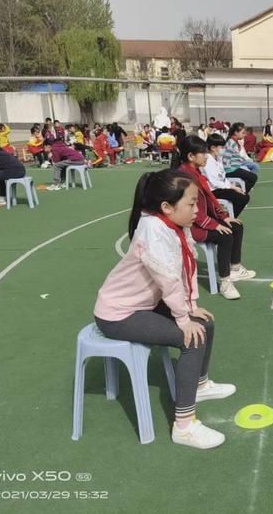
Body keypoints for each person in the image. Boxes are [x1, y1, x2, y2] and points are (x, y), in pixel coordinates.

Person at [94, 168, 236, 449]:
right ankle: (184, 426)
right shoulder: (154, 231)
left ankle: (199, 384)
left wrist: (192, 305)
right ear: (167, 207)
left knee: (205, 323)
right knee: (191, 338)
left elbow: (187, 267)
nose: (197, 209)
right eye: (192, 203)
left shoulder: (173, 225)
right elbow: (168, 278)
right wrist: (182, 318)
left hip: (143, 305)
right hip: (118, 314)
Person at [176, 136, 256, 300]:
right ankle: (225, 283)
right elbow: (189, 210)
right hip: (189, 226)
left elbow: (210, 199)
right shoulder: (185, 177)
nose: (206, 156)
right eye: (202, 153)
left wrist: (224, 217)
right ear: (191, 156)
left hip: (199, 220)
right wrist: (213, 224)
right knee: (225, 235)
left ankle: (235, 268)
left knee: (236, 226)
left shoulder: (196, 173)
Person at [202, 134, 250, 218]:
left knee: (244, 196)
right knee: (242, 198)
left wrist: (231, 186)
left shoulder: (218, 158)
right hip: (213, 190)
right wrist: (232, 187)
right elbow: (215, 182)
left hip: (221, 187)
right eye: (222, 147)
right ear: (213, 148)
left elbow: (222, 176)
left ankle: (229, 217)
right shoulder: (208, 161)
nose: (223, 150)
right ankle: (228, 219)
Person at [223, 123, 259, 190]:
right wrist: (228, 171)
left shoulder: (235, 141)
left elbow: (236, 156)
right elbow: (225, 159)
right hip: (231, 169)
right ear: (236, 132)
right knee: (253, 177)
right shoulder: (231, 143)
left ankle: (242, 189)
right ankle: (242, 192)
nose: (245, 135)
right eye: (243, 133)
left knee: (252, 171)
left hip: (236, 165)